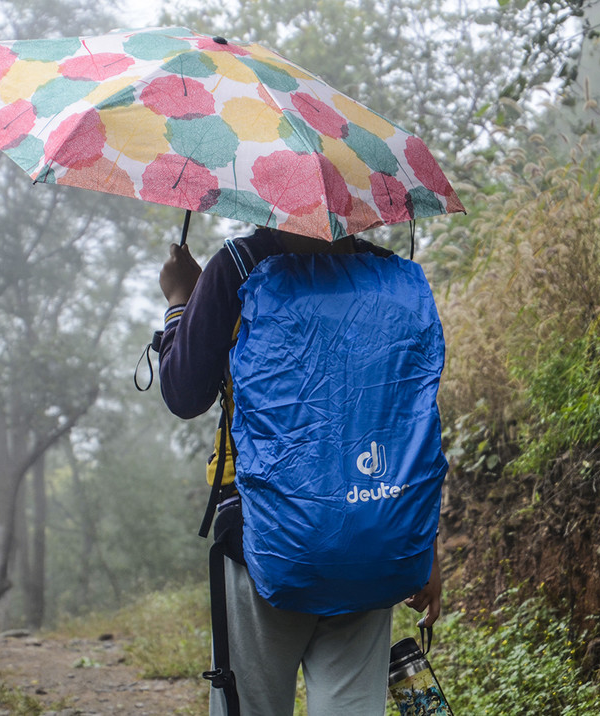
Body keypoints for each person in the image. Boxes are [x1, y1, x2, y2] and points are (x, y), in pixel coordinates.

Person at [157, 226, 442, 716]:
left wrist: (181, 298)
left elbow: (184, 394)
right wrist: (424, 540)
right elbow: (408, 418)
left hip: (260, 536)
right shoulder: (385, 275)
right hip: (373, 529)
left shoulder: (239, 264)